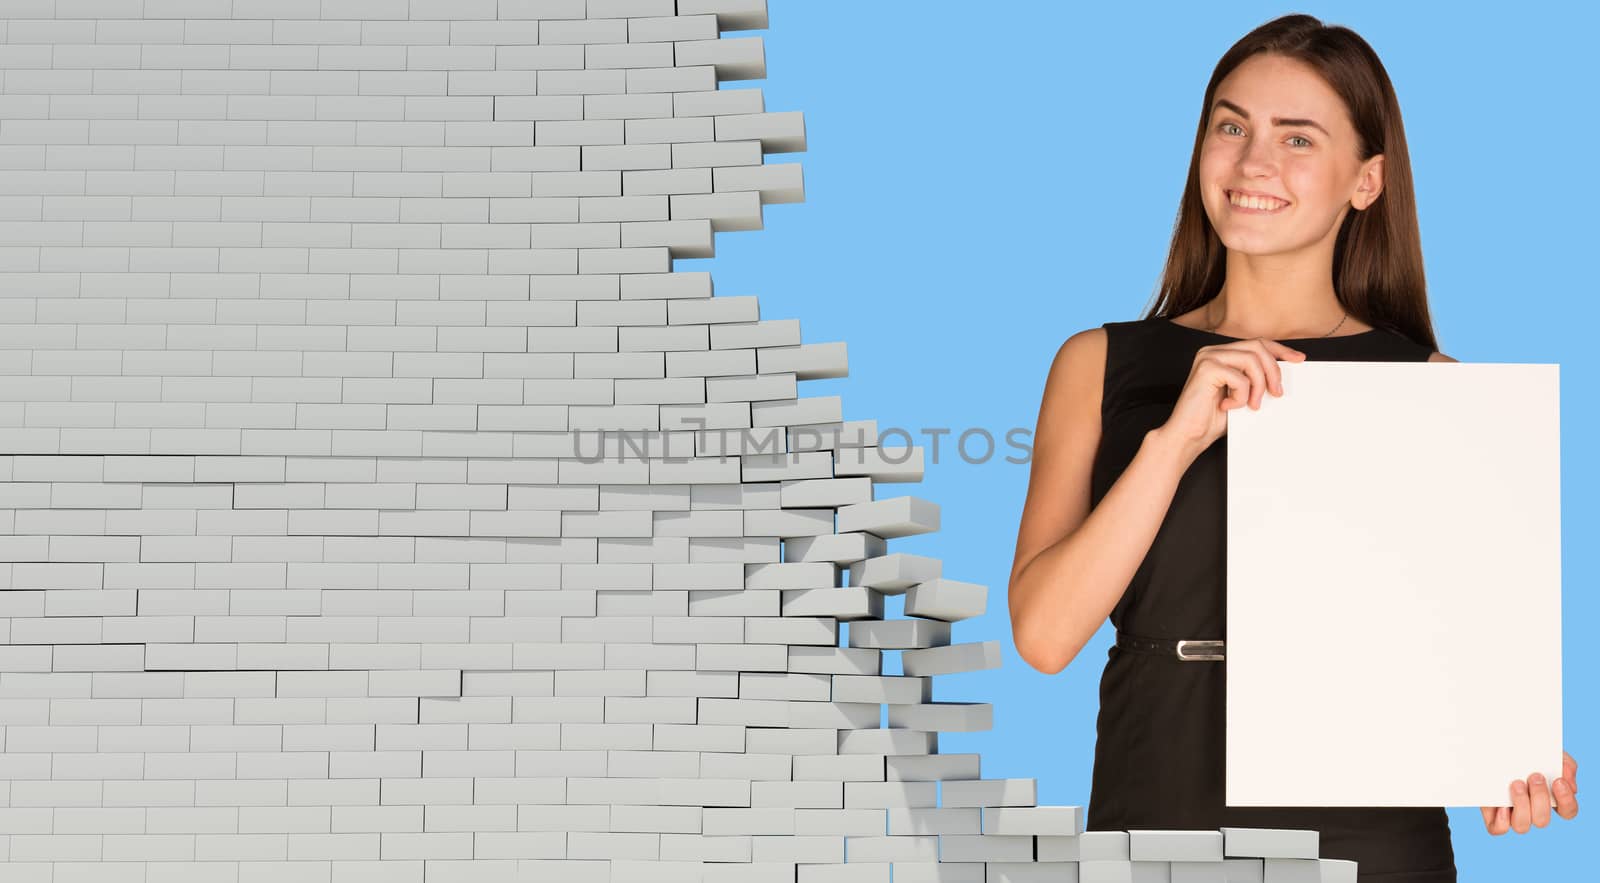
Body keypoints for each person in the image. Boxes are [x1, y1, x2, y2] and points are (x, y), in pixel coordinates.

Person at [1005, 13, 1578, 882]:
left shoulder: (1434, 390)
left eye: (1298, 138)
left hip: (1370, 833)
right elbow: (1044, 637)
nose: (1253, 164)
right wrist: (1176, 439)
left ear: (1366, 180)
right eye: (1231, 126)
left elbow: (1467, 649)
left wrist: (1511, 753)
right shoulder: (1099, 363)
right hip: (1157, 812)